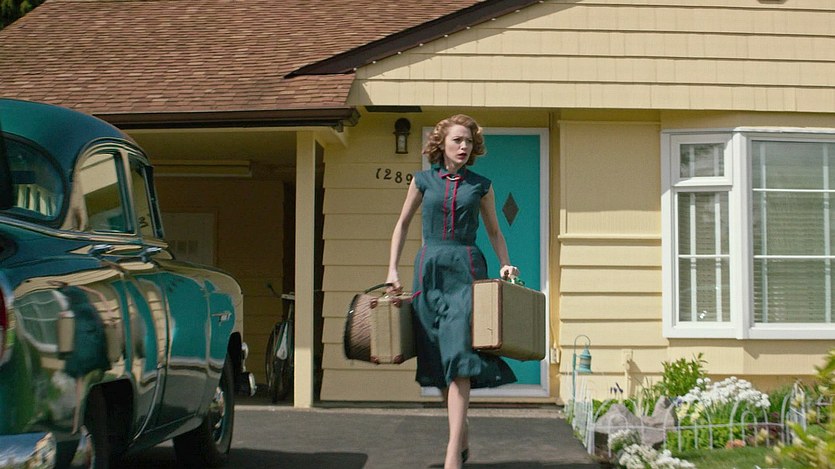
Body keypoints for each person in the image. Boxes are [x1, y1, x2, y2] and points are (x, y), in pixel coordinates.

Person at [386, 114, 519, 469]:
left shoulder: (481, 186)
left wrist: (505, 263)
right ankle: (462, 432)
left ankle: (451, 454)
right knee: (436, 357)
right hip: (428, 271)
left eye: (469, 142)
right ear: (441, 143)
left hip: (466, 271)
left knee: (459, 353)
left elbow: (494, 231)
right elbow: (402, 224)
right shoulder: (422, 181)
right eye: (457, 140)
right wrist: (392, 269)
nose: (464, 146)